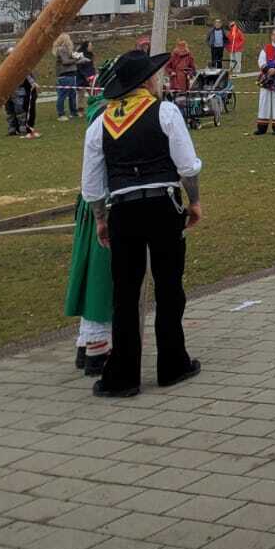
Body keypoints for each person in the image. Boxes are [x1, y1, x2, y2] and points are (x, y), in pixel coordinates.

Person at [80, 47, 204, 398]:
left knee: (125, 293)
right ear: (147, 81)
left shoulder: (100, 123)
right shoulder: (164, 111)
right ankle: (172, 363)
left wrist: (101, 219)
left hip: (123, 210)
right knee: (169, 286)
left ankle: (123, 376)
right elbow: (187, 165)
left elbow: (92, 185)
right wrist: (194, 202)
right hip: (163, 205)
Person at [64, 58, 117, 377]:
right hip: (103, 202)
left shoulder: (100, 110)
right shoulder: (106, 116)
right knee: (101, 277)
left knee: (96, 274)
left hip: (93, 200)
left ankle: (87, 344)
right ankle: (97, 349)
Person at [53, 32, 80, 120]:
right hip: (65, 75)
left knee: (72, 94)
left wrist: (76, 57)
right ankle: (61, 114)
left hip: (71, 74)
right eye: (69, 39)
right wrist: (75, 59)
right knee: (63, 95)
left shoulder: (67, 50)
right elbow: (65, 62)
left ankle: (73, 112)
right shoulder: (61, 49)